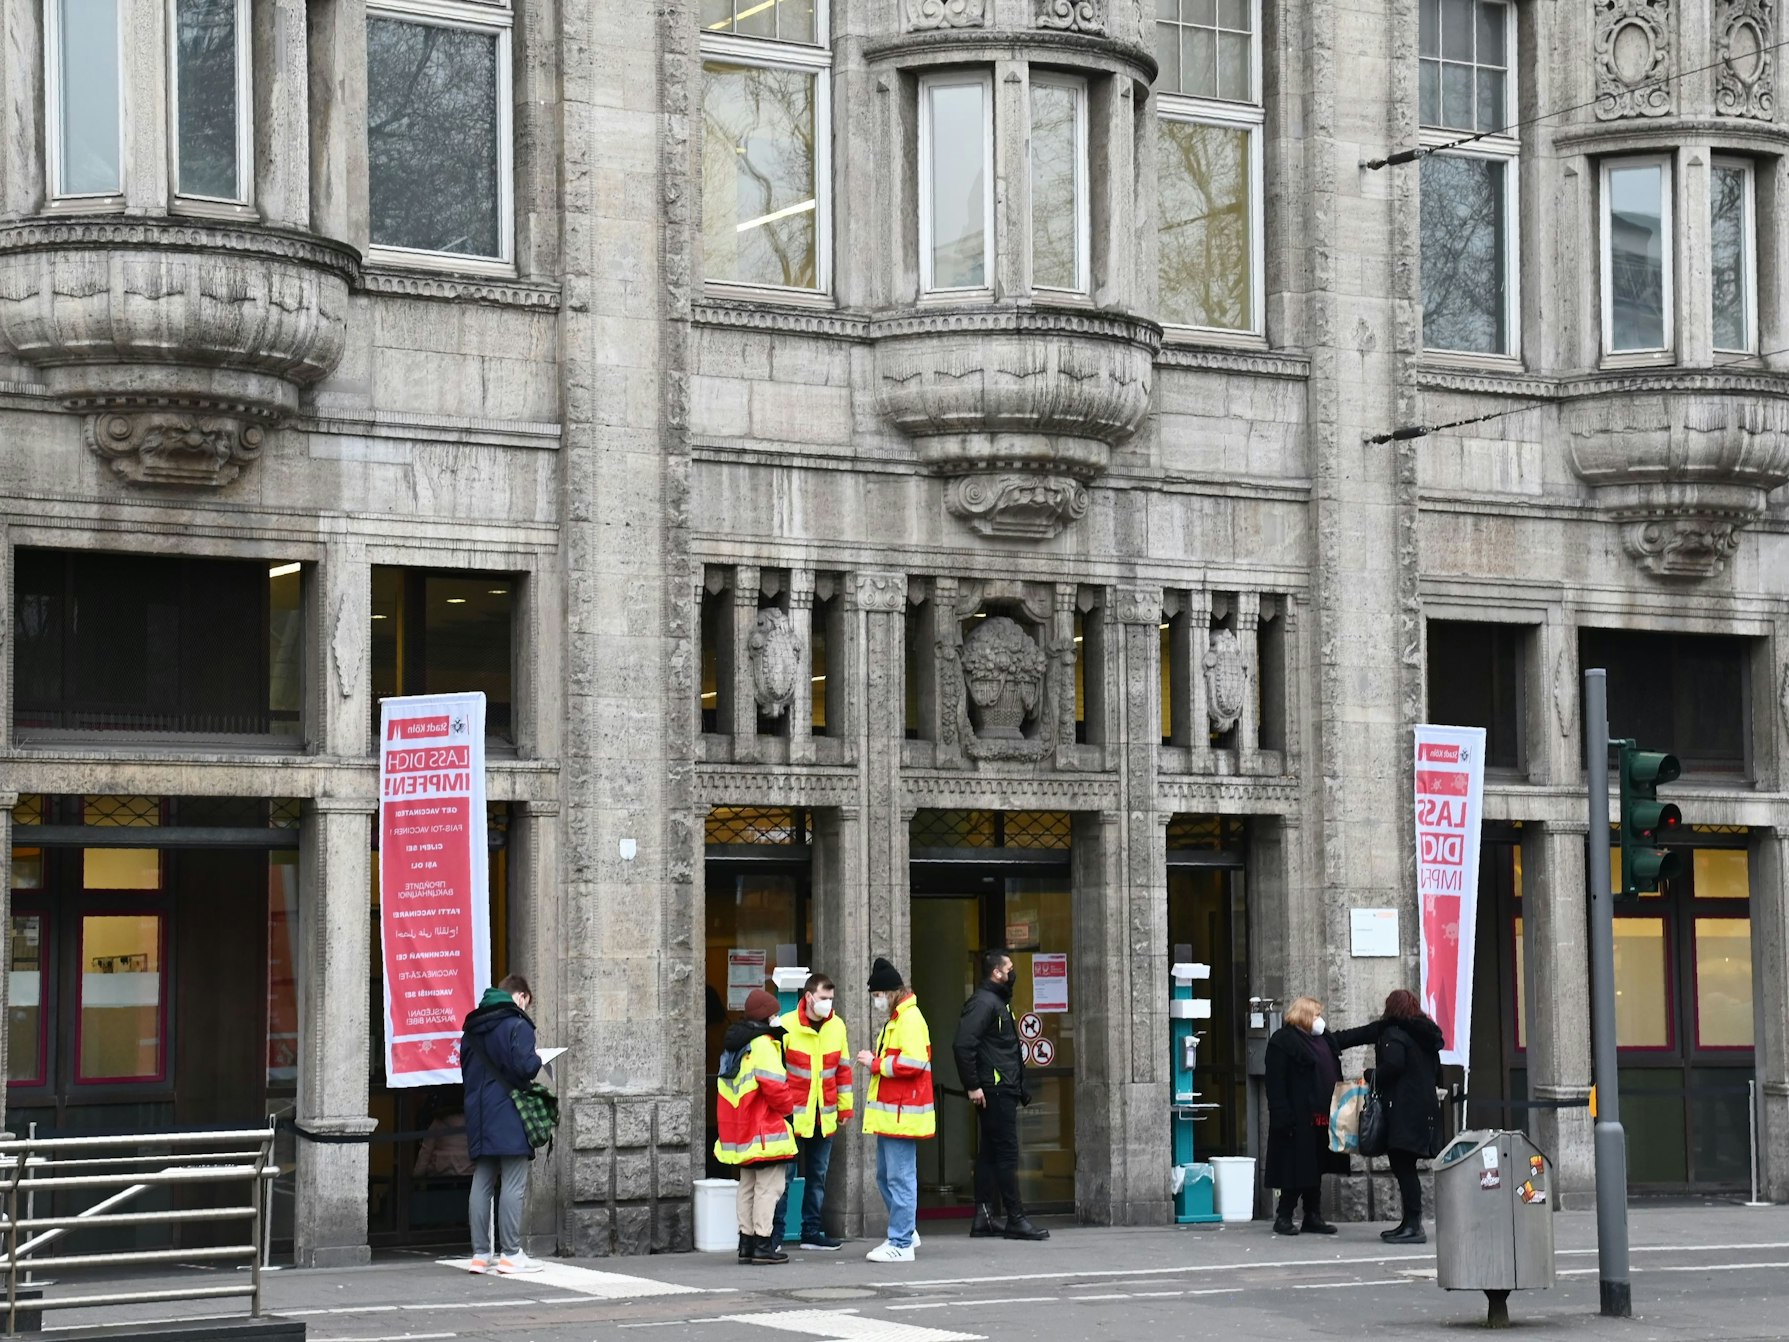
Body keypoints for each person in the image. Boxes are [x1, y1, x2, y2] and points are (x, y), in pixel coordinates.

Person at [1263, 995, 1380, 1236]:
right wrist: (1281, 1114)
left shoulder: (1324, 1039)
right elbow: (1275, 1083)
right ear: (1305, 1016)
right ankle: (1284, 1215)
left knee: (1315, 1165)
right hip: (1297, 1116)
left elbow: (1348, 1037)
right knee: (1297, 1167)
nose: (1320, 1019)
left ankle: (1312, 1215)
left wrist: (1379, 1028)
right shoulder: (1283, 1042)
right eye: (1316, 1015)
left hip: (1324, 1115)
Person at [952, 948, 1048, 1241]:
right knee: (1006, 1153)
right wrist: (973, 1085)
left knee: (990, 1154)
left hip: (1000, 1086)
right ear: (996, 972)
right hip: (994, 1088)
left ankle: (983, 1218)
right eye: (1009, 968)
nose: (1012, 973)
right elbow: (962, 1045)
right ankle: (1015, 1218)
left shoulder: (996, 1002)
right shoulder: (984, 1003)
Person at [460, 973, 544, 1274]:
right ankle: (510, 1254)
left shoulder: (470, 1029)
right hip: (508, 1112)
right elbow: (525, 1066)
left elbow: (466, 1074)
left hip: (479, 1114)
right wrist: (537, 1059)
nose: (526, 1009)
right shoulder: (517, 1025)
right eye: (527, 1003)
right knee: (513, 1182)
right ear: (520, 996)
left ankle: (480, 1255)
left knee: (482, 1181)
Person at [714, 987, 799, 1266]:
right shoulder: (763, 1044)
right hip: (766, 1131)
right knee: (768, 1188)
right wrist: (789, 1110)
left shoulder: (735, 1046)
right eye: (775, 1014)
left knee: (747, 1186)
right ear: (766, 1017)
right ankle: (763, 1244)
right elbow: (775, 1087)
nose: (778, 1018)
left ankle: (746, 1243)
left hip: (743, 1130)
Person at [856, 957, 933, 1263]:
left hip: (902, 1112)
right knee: (886, 1176)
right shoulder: (899, 1019)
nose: (876, 1001)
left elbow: (914, 1063)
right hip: (894, 1113)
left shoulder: (909, 1019)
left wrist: (875, 1064)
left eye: (877, 995)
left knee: (899, 1178)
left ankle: (901, 1241)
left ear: (890, 992)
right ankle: (905, 1231)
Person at [770, 973, 854, 1250]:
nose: (828, 1004)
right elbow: (775, 1072)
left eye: (831, 999)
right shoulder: (785, 1025)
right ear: (808, 997)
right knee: (784, 1177)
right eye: (823, 998)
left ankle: (811, 1231)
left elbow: (842, 1070)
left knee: (818, 1176)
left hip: (824, 1115)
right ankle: (775, 1235)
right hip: (792, 1115)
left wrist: (845, 1109)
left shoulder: (837, 1027)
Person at [1358, 988, 1447, 1245]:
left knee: (1403, 1166)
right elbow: (1434, 1071)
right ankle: (1409, 1222)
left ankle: (1413, 1225)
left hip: (1405, 1111)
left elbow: (1394, 1065)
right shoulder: (1424, 1036)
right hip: (1423, 1110)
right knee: (1404, 1166)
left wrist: (1370, 1074)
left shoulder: (1394, 1034)